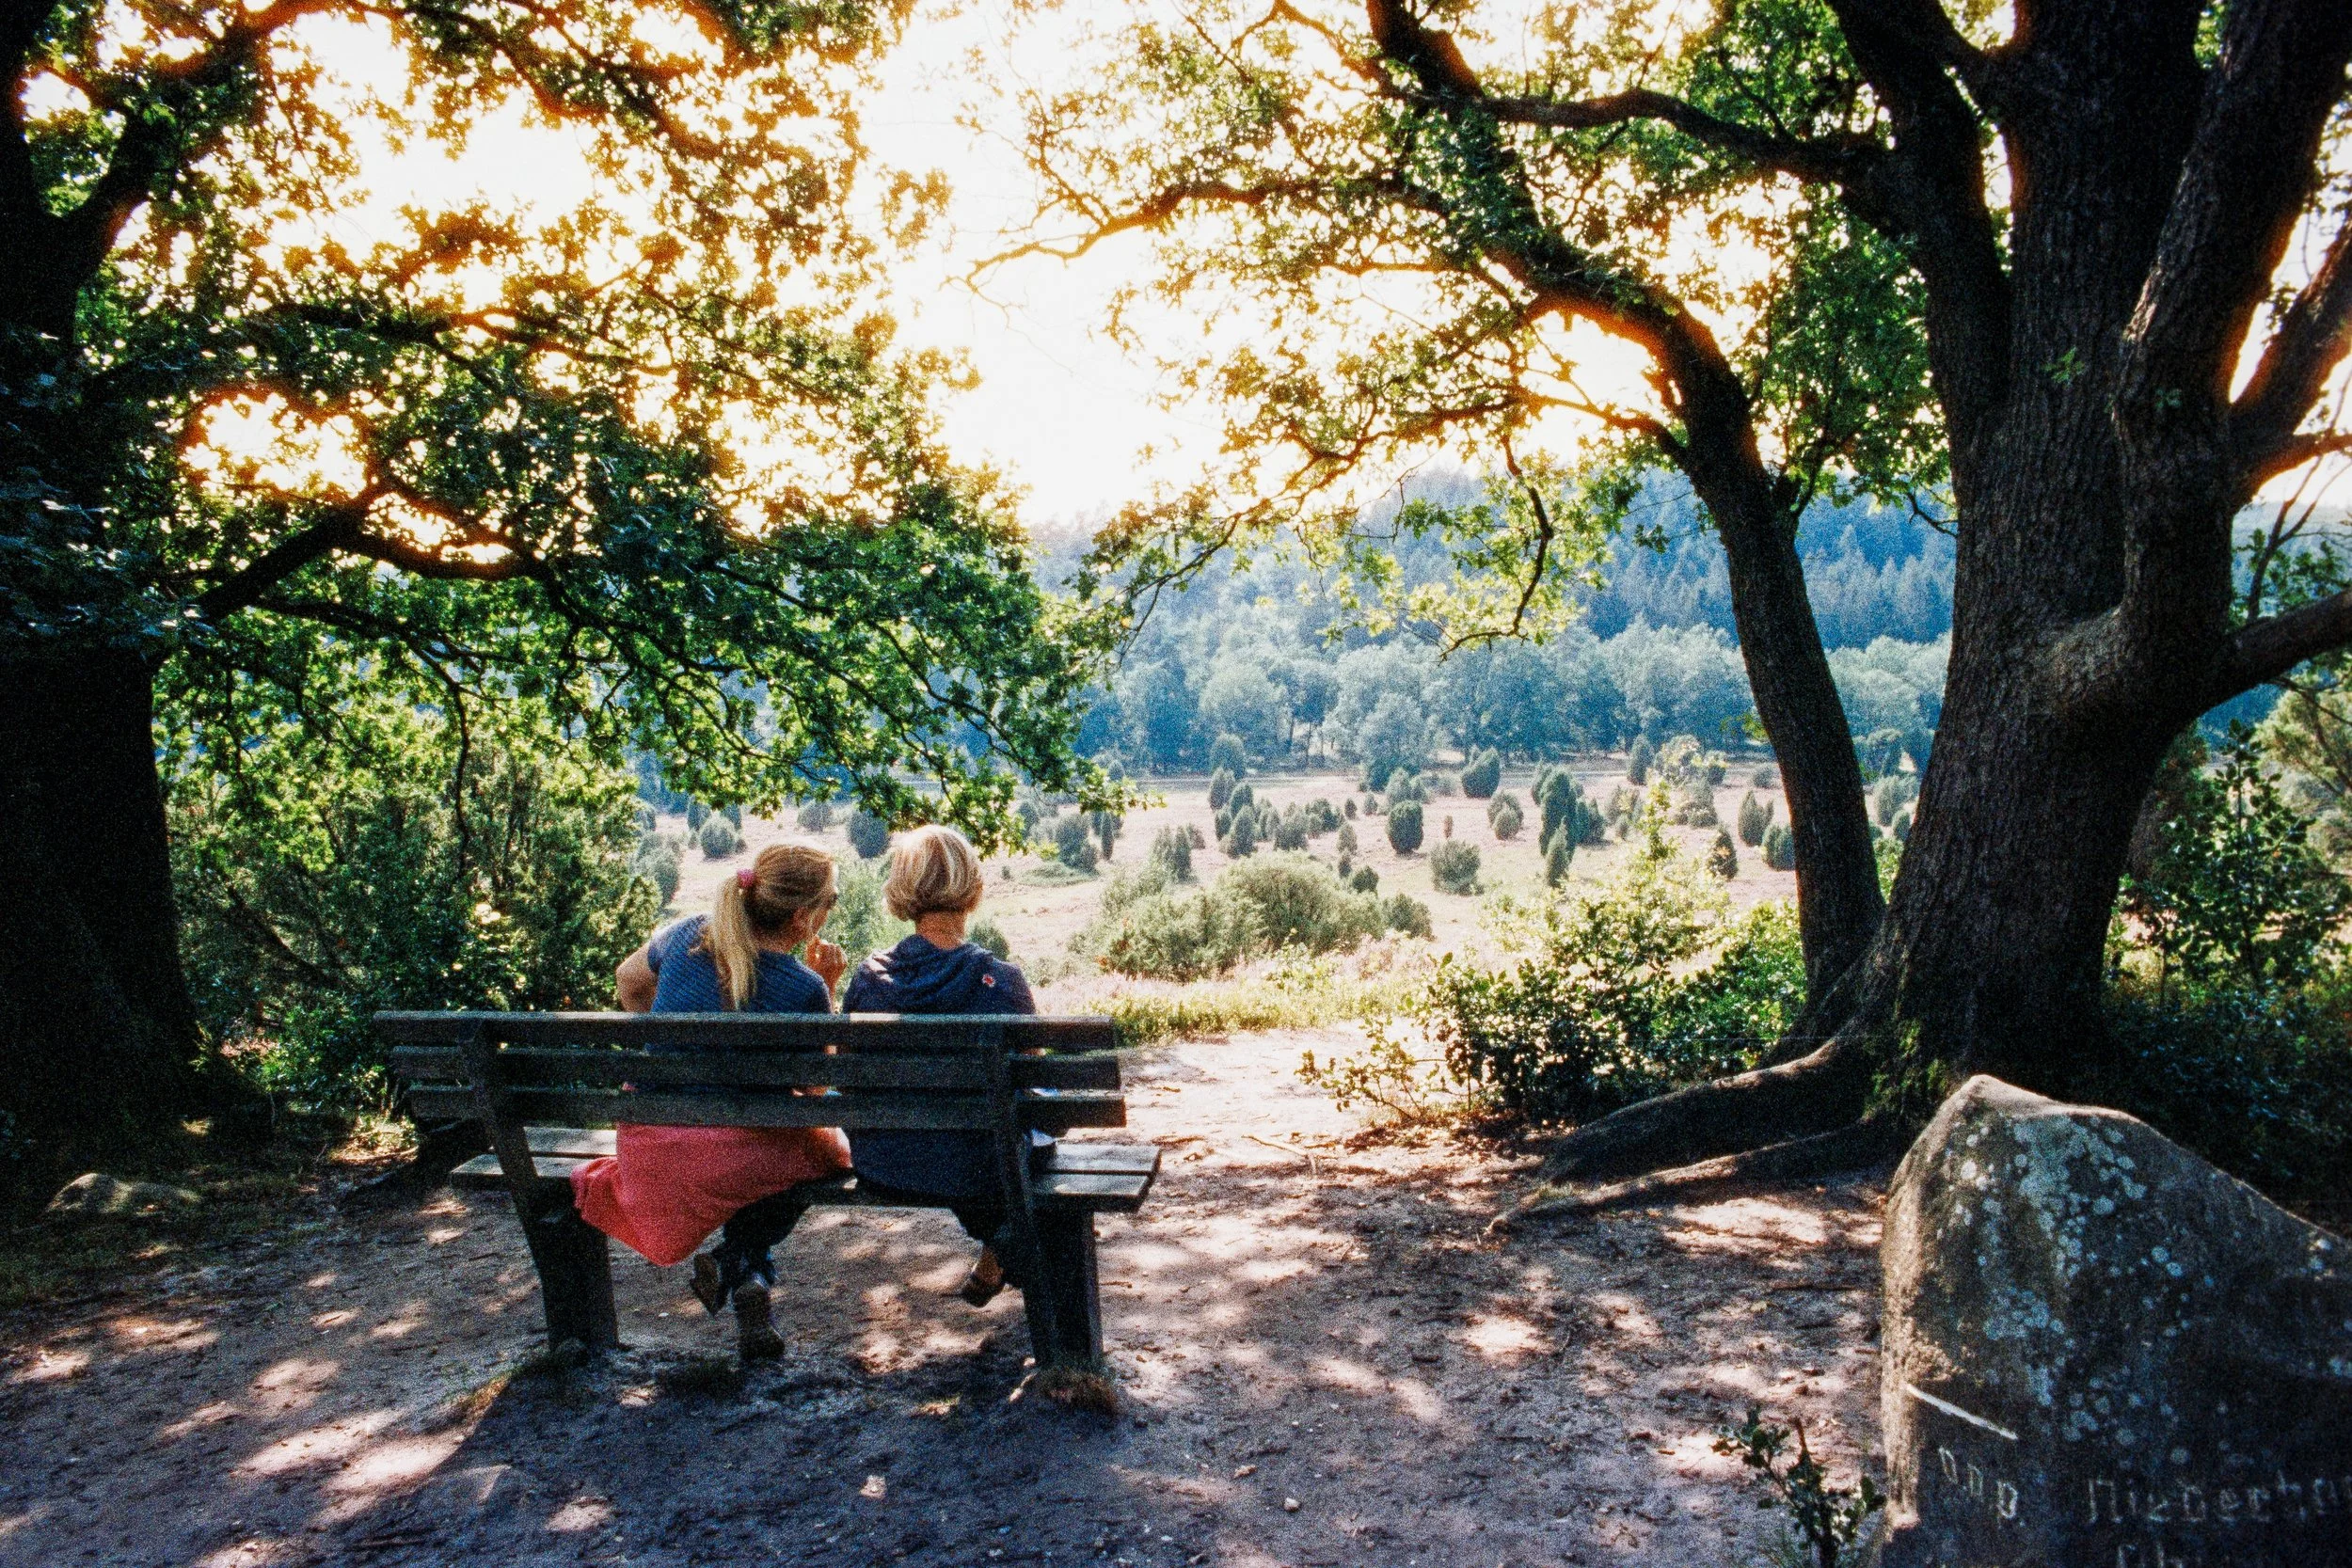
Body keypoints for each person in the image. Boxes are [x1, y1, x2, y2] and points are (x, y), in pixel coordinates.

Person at [571, 840, 850, 1359]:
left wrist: (671, 1037)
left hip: (651, 1142)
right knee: (827, 1154)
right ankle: (739, 1261)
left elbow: (628, 981)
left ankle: (747, 1272)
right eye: (830, 901)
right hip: (738, 1152)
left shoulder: (686, 935)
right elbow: (815, 1090)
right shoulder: (805, 987)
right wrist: (829, 990)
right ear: (802, 916)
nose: (830, 910)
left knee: (761, 1155)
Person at [842, 824, 1041, 1306]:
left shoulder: (868, 980)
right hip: (980, 1166)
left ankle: (998, 1252)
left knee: (962, 1142)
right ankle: (1006, 1249)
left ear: (902, 889)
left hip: (886, 1162)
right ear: (971, 888)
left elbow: (846, 1075)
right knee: (1027, 1121)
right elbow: (1029, 1075)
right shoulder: (1003, 981)